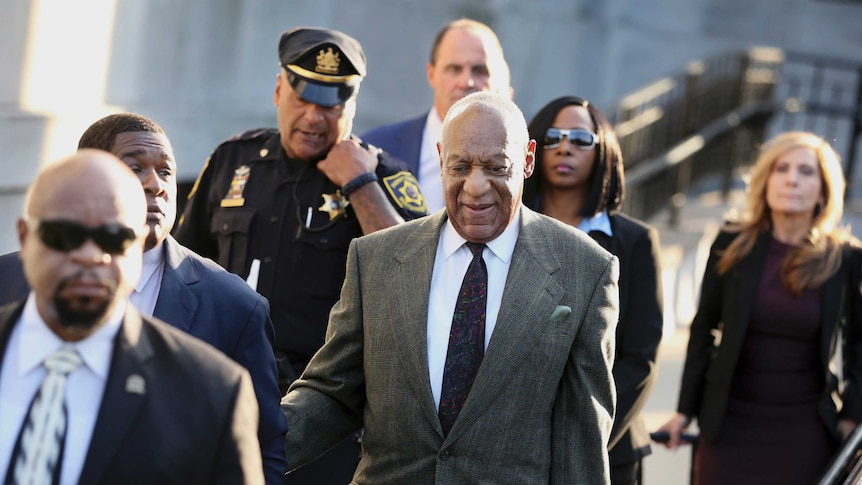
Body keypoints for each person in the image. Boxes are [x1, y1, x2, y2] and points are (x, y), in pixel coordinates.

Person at [281, 91, 620, 483]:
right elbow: (332, 392)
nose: (476, 187)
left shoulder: (584, 270)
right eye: (460, 167)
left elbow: (581, 441)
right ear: (441, 157)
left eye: (496, 168)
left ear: (527, 160)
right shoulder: (375, 259)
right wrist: (244, 445)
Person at [174, 26, 427, 483]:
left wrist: (359, 185)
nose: (314, 118)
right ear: (277, 91)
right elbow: (183, 271)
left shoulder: (386, 178)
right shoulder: (235, 160)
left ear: (351, 106)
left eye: (331, 105)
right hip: (222, 396)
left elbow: (413, 282)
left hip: (323, 416)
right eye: (303, 100)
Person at [0, 113, 288, 484]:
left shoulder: (222, 357)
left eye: (165, 172)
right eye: (134, 168)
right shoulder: (6, 282)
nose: (155, 185)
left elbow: (262, 455)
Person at [656, 131, 862, 484]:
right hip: (728, 426)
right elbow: (704, 326)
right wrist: (684, 410)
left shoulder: (843, 258)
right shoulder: (733, 241)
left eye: (806, 172)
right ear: (766, 181)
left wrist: (851, 415)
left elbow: (859, 343)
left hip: (804, 433)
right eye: (782, 168)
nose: (792, 179)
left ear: (824, 190)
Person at [523, 95, 663, 485]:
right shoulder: (507, 233)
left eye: (581, 139)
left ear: (603, 151)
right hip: (512, 449)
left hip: (608, 450)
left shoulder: (636, 241)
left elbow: (640, 360)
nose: (565, 146)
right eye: (553, 137)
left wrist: (587, 437)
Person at [361, 18, 512, 212]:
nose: (466, 82)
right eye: (454, 69)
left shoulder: (522, 159)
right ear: (431, 74)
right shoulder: (378, 148)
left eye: (480, 70)